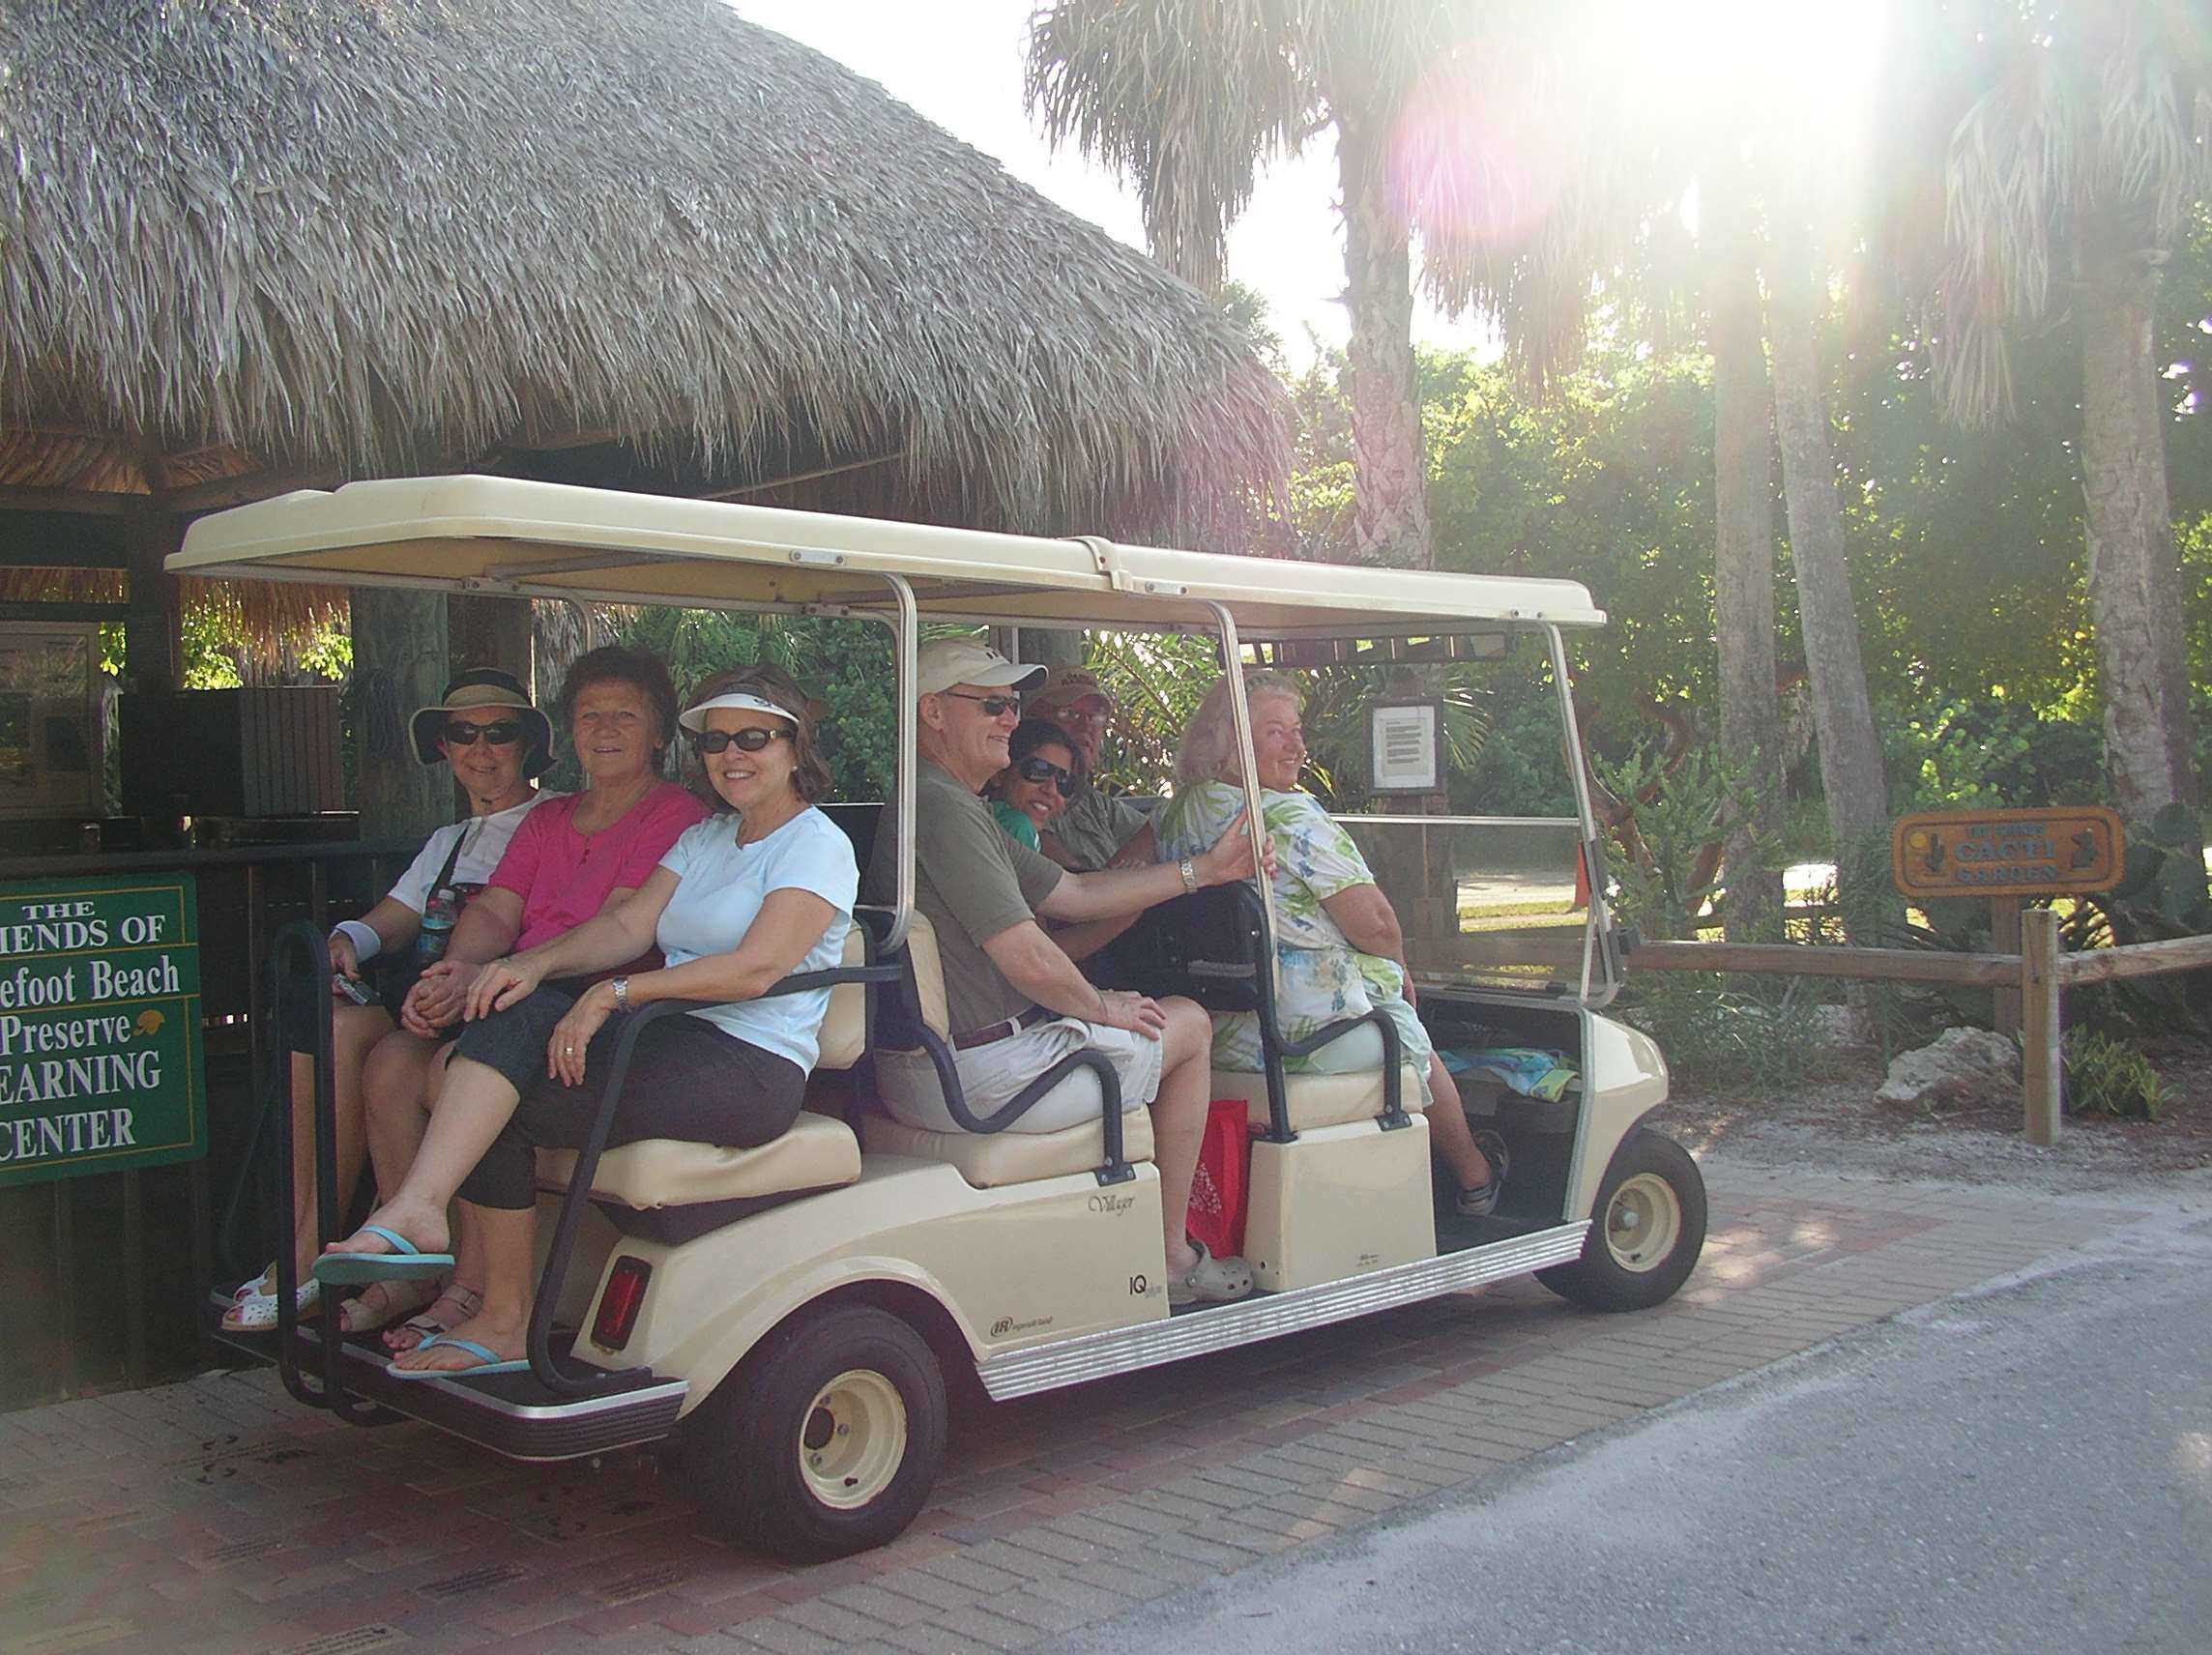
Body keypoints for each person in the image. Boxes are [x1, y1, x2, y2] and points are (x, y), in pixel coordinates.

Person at [320, 664, 857, 1378]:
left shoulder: (815, 843)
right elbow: (630, 923)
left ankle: (491, 1300)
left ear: (794, 747)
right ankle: (434, 1228)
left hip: (750, 1065)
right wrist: (531, 966)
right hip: (672, 1037)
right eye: (717, 740)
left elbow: (757, 968)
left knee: (504, 1084)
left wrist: (615, 994)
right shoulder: (709, 839)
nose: (732, 754)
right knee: (504, 1043)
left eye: (753, 737)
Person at [866, 637, 1268, 1306]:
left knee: (1148, 1011)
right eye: (993, 705)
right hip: (984, 1075)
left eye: (1012, 704)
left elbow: (1076, 897)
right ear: (932, 712)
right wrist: (1099, 1007)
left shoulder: (949, 803)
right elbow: (1024, 951)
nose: (1011, 719)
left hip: (941, 1064)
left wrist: (1205, 873)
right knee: (1191, 1024)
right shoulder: (940, 807)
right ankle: (1171, 1256)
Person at [338, 646, 709, 1348]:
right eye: (588, 715)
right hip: (524, 987)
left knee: (455, 1069)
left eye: (623, 716)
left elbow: (624, 928)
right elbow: (494, 913)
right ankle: (424, 1265)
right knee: (392, 1061)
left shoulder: (674, 814)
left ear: (658, 732)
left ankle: (472, 1285)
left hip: (603, 1002)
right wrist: (454, 971)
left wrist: (520, 970)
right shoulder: (550, 819)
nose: (603, 729)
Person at [220, 669, 560, 1333]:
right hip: (430, 1000)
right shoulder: (449, 839)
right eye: (463, 733)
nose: (481, 749)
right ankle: (305, 1245)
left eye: (500, 733)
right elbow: (395, 917)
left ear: (528, 745)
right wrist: (347, 941)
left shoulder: (553, 819)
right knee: (336, 1027)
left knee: (386, 1060)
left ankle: (403, 1259)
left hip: (501, 1004)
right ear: (443, 746)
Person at [1154, 671, 1506, 1216]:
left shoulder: (1177, 813)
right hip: (1303, 1035)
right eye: (1275, 733)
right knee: (1404, 1027)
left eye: (1296, 731)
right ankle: (1475, 1177)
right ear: (1228, 741)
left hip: (1217, 1033)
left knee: (1389, 1013)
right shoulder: (1289, 814)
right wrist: (1399, 968)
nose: (1296, 745)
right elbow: (1377, 923)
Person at [1025, 666, 1150, 871]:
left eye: (1095, 717)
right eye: (1069, 713)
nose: (1085, 726)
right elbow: (1069, 879)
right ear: (1034, 723)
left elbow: (1159, 833)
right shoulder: (1022, 793)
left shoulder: (1093, 802)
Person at [985, 718, 1084, 852]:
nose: (1051, 790)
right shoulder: (1016, 824)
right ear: (999, 773)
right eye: (1039, 770)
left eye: (1065, 781)